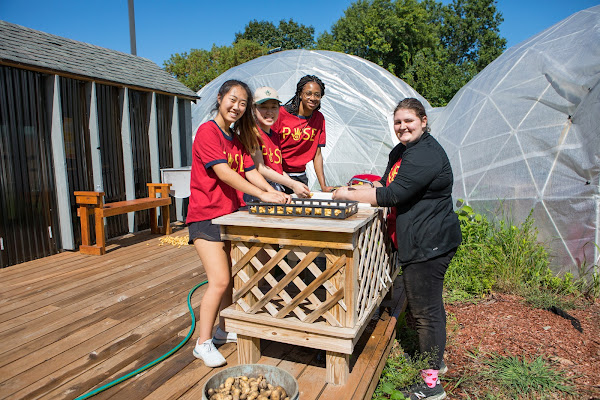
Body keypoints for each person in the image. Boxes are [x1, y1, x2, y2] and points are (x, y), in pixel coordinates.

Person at [332, 98, 462, 400]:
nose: (402, 127)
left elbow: (393, 193)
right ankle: (436, 362)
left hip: (429, 243)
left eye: (409, 121)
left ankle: (431, 385)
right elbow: (386, 181)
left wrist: (345, 196)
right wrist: (359, 189)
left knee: (426, 310)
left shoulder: (426, 154)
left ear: (424, 121)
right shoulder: (403, 150)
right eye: (398, 122)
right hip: (418, 238)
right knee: (429, 305)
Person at [187, 79, 290, 368]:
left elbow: (249, 170)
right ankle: (202, 343)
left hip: (230, 215)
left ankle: (223, 329)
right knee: (219, 280)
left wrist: (271, 191)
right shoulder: (208, 132)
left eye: (243, 103)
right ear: (219, 98)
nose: (237, 107)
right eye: (233, 100)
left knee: (230, 279)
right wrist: (261, 194)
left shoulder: (236, 137)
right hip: (205, 215)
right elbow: (223, 173)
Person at [243, 86, 311, 202]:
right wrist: (292, 184)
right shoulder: (253, 133)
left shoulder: (274, 135)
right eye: (263, 107)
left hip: (275, 191)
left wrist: (294, 184)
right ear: (253, 109)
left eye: (274, 107)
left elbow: (276, 168)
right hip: (259, 193)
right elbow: (261, 168)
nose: (269, 112)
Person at [273, 75, 334, 193]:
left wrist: (323, 186)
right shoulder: (280, 114)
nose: (313, 98)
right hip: (279, 174)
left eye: (317, 95)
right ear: (300, 94)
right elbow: (270, 146)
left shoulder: (319, 118)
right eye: (308, 93)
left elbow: (317, 154)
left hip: (300, 176)